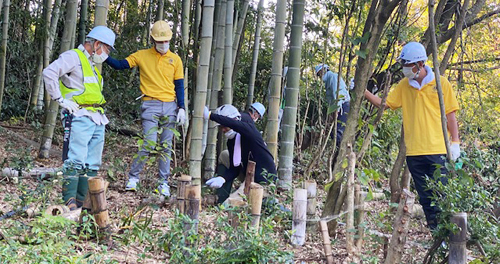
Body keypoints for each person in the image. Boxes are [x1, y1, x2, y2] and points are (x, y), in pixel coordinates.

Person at [364, 42, 461, 230]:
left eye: (408, 65)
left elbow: (451, 115)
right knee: (425, 199)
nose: (405, 69)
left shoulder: (441, 84)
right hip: (414, 152)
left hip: (438, 150)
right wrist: (363, 92)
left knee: (441, 196)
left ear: (420, 64)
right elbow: (385, 104)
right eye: (404, 65)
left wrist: (455, 142)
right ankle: (436, 234)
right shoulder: (403, 86)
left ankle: (449, 235)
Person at [105, 20, 185, 196]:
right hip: (150, 104)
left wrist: (182, 108)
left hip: (170, 106)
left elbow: (179, 85)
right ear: (153, 40)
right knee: (148, 143)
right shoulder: (142, 55)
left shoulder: (175, 59)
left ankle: (163, 183)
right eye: (160, 41)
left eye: (166, 41)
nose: (164, 44)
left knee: (165, 146)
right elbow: (121, 65)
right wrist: (104, 57)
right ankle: (133, 178)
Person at [43, 26, 116, 210]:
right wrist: (60, 99)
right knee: (76, 160)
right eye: (106, 49)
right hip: (79, 115)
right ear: (97, 44)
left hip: (97, 117)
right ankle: (70, 201)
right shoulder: (73, 56)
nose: (106, 54)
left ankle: (83, 203)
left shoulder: (91, 64)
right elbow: (49, 72)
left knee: (92, 163)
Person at [203, 105, 277, 204]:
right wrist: (222, 178)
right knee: (225, 155)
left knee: (228, 205)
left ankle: (268, 200)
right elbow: (235, 167)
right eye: (221, 127)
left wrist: (210, 115)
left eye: (225, 126)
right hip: (247, 175)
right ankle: (221, 196)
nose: (223, 130)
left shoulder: (250, 132)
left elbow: (234, 124)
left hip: (262, 180)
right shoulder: (231, 141)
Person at [315, 64, 351, 148]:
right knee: (333, 132)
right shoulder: (328, 81)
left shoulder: (333, 77)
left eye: (319, 73)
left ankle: (342, 152)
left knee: (338, 133)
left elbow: (338, 94)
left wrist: (337, 110)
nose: (319, 76)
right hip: (338, 107)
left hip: (343, 106)